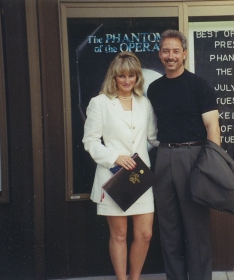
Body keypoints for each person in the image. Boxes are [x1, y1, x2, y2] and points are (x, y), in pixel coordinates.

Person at [147, 29, 221, 280]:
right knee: (168, 227)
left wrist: (210, 168)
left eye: (176, 51)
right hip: (164, 157)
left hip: (194, 156)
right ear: (159, 54)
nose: (171, 56)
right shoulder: (154, 89)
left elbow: (213, 128)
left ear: (185, 54)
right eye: (166, 51)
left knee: (196, 227)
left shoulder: (199, 86)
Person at [82, 52, 159, 280]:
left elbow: (154, 138)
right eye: (122, 76)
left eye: (132, 76)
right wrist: (115, 156)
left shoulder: (145, 103)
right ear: (114, 77)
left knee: (144, 234)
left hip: (140, 179)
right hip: (113, 178)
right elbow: (90, 141)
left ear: (138, 78)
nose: (127, 81)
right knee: (119, 234)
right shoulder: (99, 103)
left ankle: (134, 277)